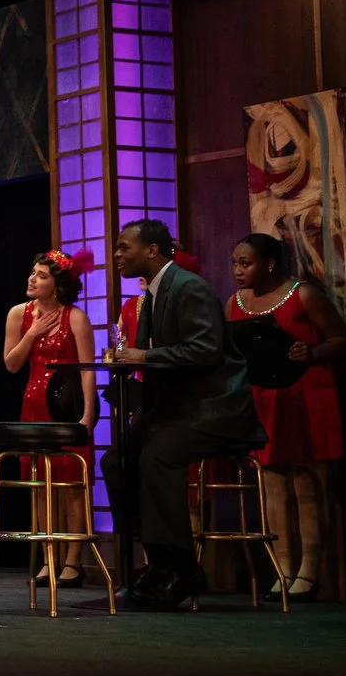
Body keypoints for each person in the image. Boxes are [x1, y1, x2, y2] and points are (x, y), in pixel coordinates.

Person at [104, 219, 270, 610]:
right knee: (117, 459)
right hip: (175, 408)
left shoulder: (188, 287)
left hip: (213, 407)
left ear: (152, 251)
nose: (117, 255)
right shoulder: (153, 293)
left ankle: (181, 565)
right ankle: (156, 557)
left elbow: (206, 350)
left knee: (158, 457)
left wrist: (145, 356)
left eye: (125, 247)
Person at [228, 232, 346, 600]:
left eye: (245, 263)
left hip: (305, 396)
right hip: (264, 401)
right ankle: (282, 569)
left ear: (269, 264)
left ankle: (310, 572)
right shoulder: (235, 303)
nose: (237, 270)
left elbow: (340, 339)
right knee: (272, 487)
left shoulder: (303, 295)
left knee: (307, 485)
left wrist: (311, 353)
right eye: (235, 263)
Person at [2, 250, 97, 585]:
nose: (32, 279)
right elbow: (11, 364)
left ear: (58, 285)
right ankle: (48, 557)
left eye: (41, 275)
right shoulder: (19, 313)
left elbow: (87, 370)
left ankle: (73, 561)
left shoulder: (75, 317)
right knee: (41, 486)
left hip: (66, 408)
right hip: (34, 405)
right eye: (33, 272)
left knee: (71, 485)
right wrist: (32, 333)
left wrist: (88, 414)